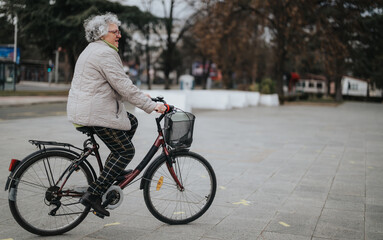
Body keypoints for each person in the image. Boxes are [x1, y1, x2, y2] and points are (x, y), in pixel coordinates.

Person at [66, 13, 166, 217]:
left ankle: (115, 170)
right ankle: (94, 194)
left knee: (131, 122)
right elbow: (123, 85)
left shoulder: (94, 49)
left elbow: (114, 84)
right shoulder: (105, 53)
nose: (119, 35)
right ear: (102, 34)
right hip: (94, 112)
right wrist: (151, 106)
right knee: (126, 152)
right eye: (115, 32)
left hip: (87, 108)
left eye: (118, 31)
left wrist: (141, 96)